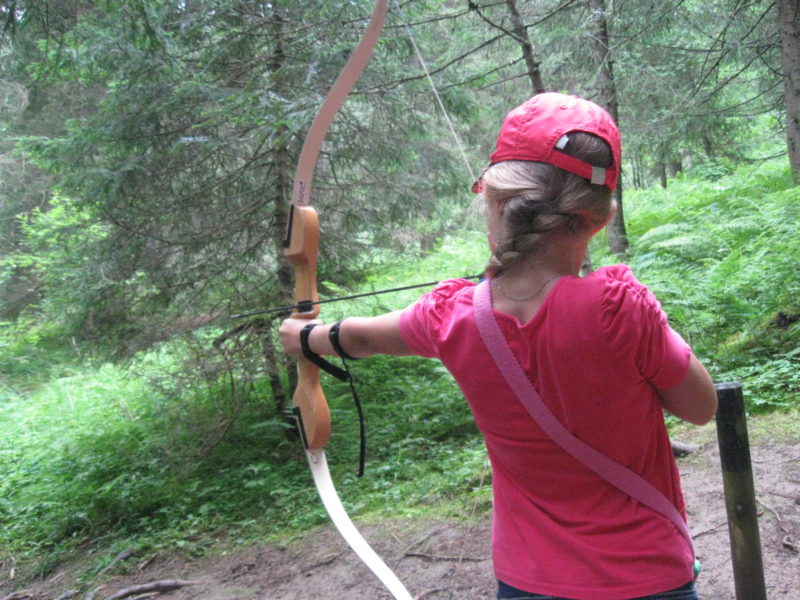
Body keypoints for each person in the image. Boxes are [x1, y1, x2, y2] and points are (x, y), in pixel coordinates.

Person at [279, 92, 718, 600]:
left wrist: (303, 336)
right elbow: (700, 407)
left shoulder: (451, 316)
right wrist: (647, 319)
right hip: (647, 577)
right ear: (598, 217)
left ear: (496, 203)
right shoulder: (619, 307)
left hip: (528, 581)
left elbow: (354, 336)